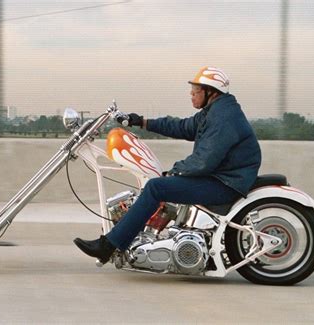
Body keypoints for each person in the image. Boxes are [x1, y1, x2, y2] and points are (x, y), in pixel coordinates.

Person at [74, 66, 262, 263]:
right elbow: (181, 127)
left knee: (156, 187)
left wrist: (175, 171)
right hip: (221, 178)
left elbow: (205, 160)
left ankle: (109, 246)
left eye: (195, 91)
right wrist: (141, 122)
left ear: (210, 92)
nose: (191, 95)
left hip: (225, 183)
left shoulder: (223, 118)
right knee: (158, 184)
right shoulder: (214, 112)